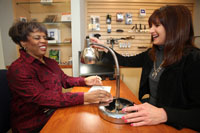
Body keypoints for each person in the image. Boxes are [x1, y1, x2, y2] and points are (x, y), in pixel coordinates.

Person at [90, 5, 200, 132]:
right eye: (151, 26)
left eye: (157, 26)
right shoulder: (152, 53)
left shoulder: (194, 59)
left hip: (172, 125)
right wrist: (106, 48)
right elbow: (125, 61)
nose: (150, 30)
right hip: (148, 118)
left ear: (174, 28)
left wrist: (164, 114)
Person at [7, 21, 113, 133]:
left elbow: (64, 79)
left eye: (45, 37)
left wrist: (85, 80)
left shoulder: (50, 62)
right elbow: (42, 98)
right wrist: (84, 97)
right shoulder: (18, 69)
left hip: (55, 112)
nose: (43, 41)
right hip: (33, 125)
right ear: (23, 42)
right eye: (37, 38)